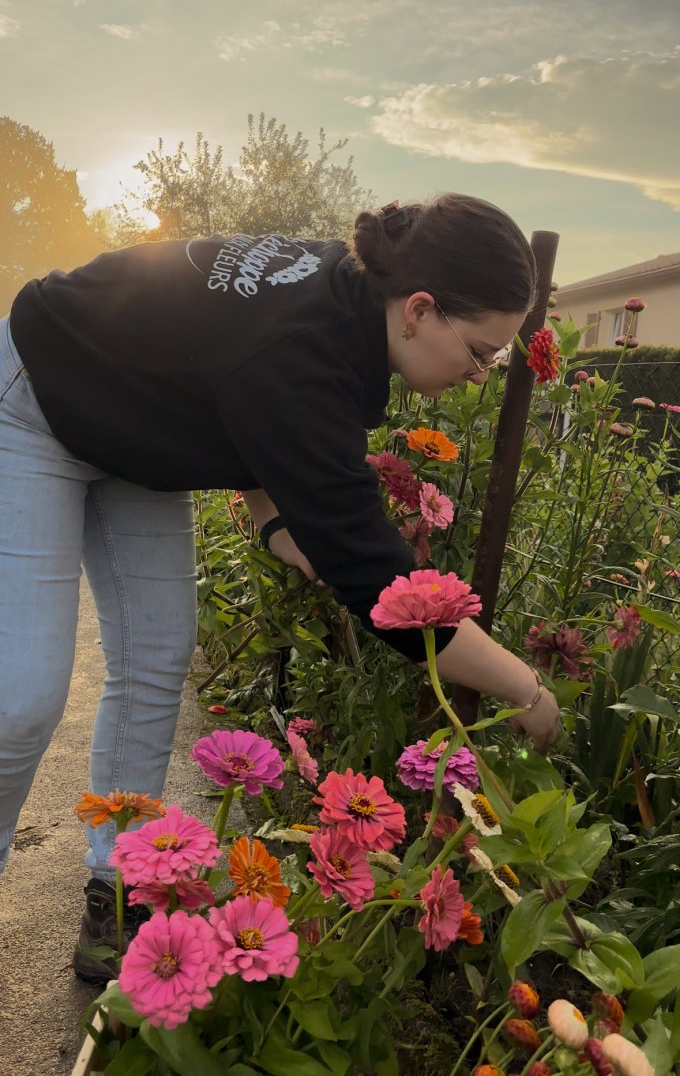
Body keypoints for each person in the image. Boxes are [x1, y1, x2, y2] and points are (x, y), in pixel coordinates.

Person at [0, 192, 561, 980]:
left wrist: (280, 523)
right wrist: (525, 687)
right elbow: (383, 587)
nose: (479, 374)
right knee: (19, 696)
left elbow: (233, 385)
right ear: (420, 309)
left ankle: (119, 880)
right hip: (42, 391)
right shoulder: (306, 353)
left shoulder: (350, 293)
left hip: (131, 425)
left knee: (159, 652)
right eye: (479, 351)